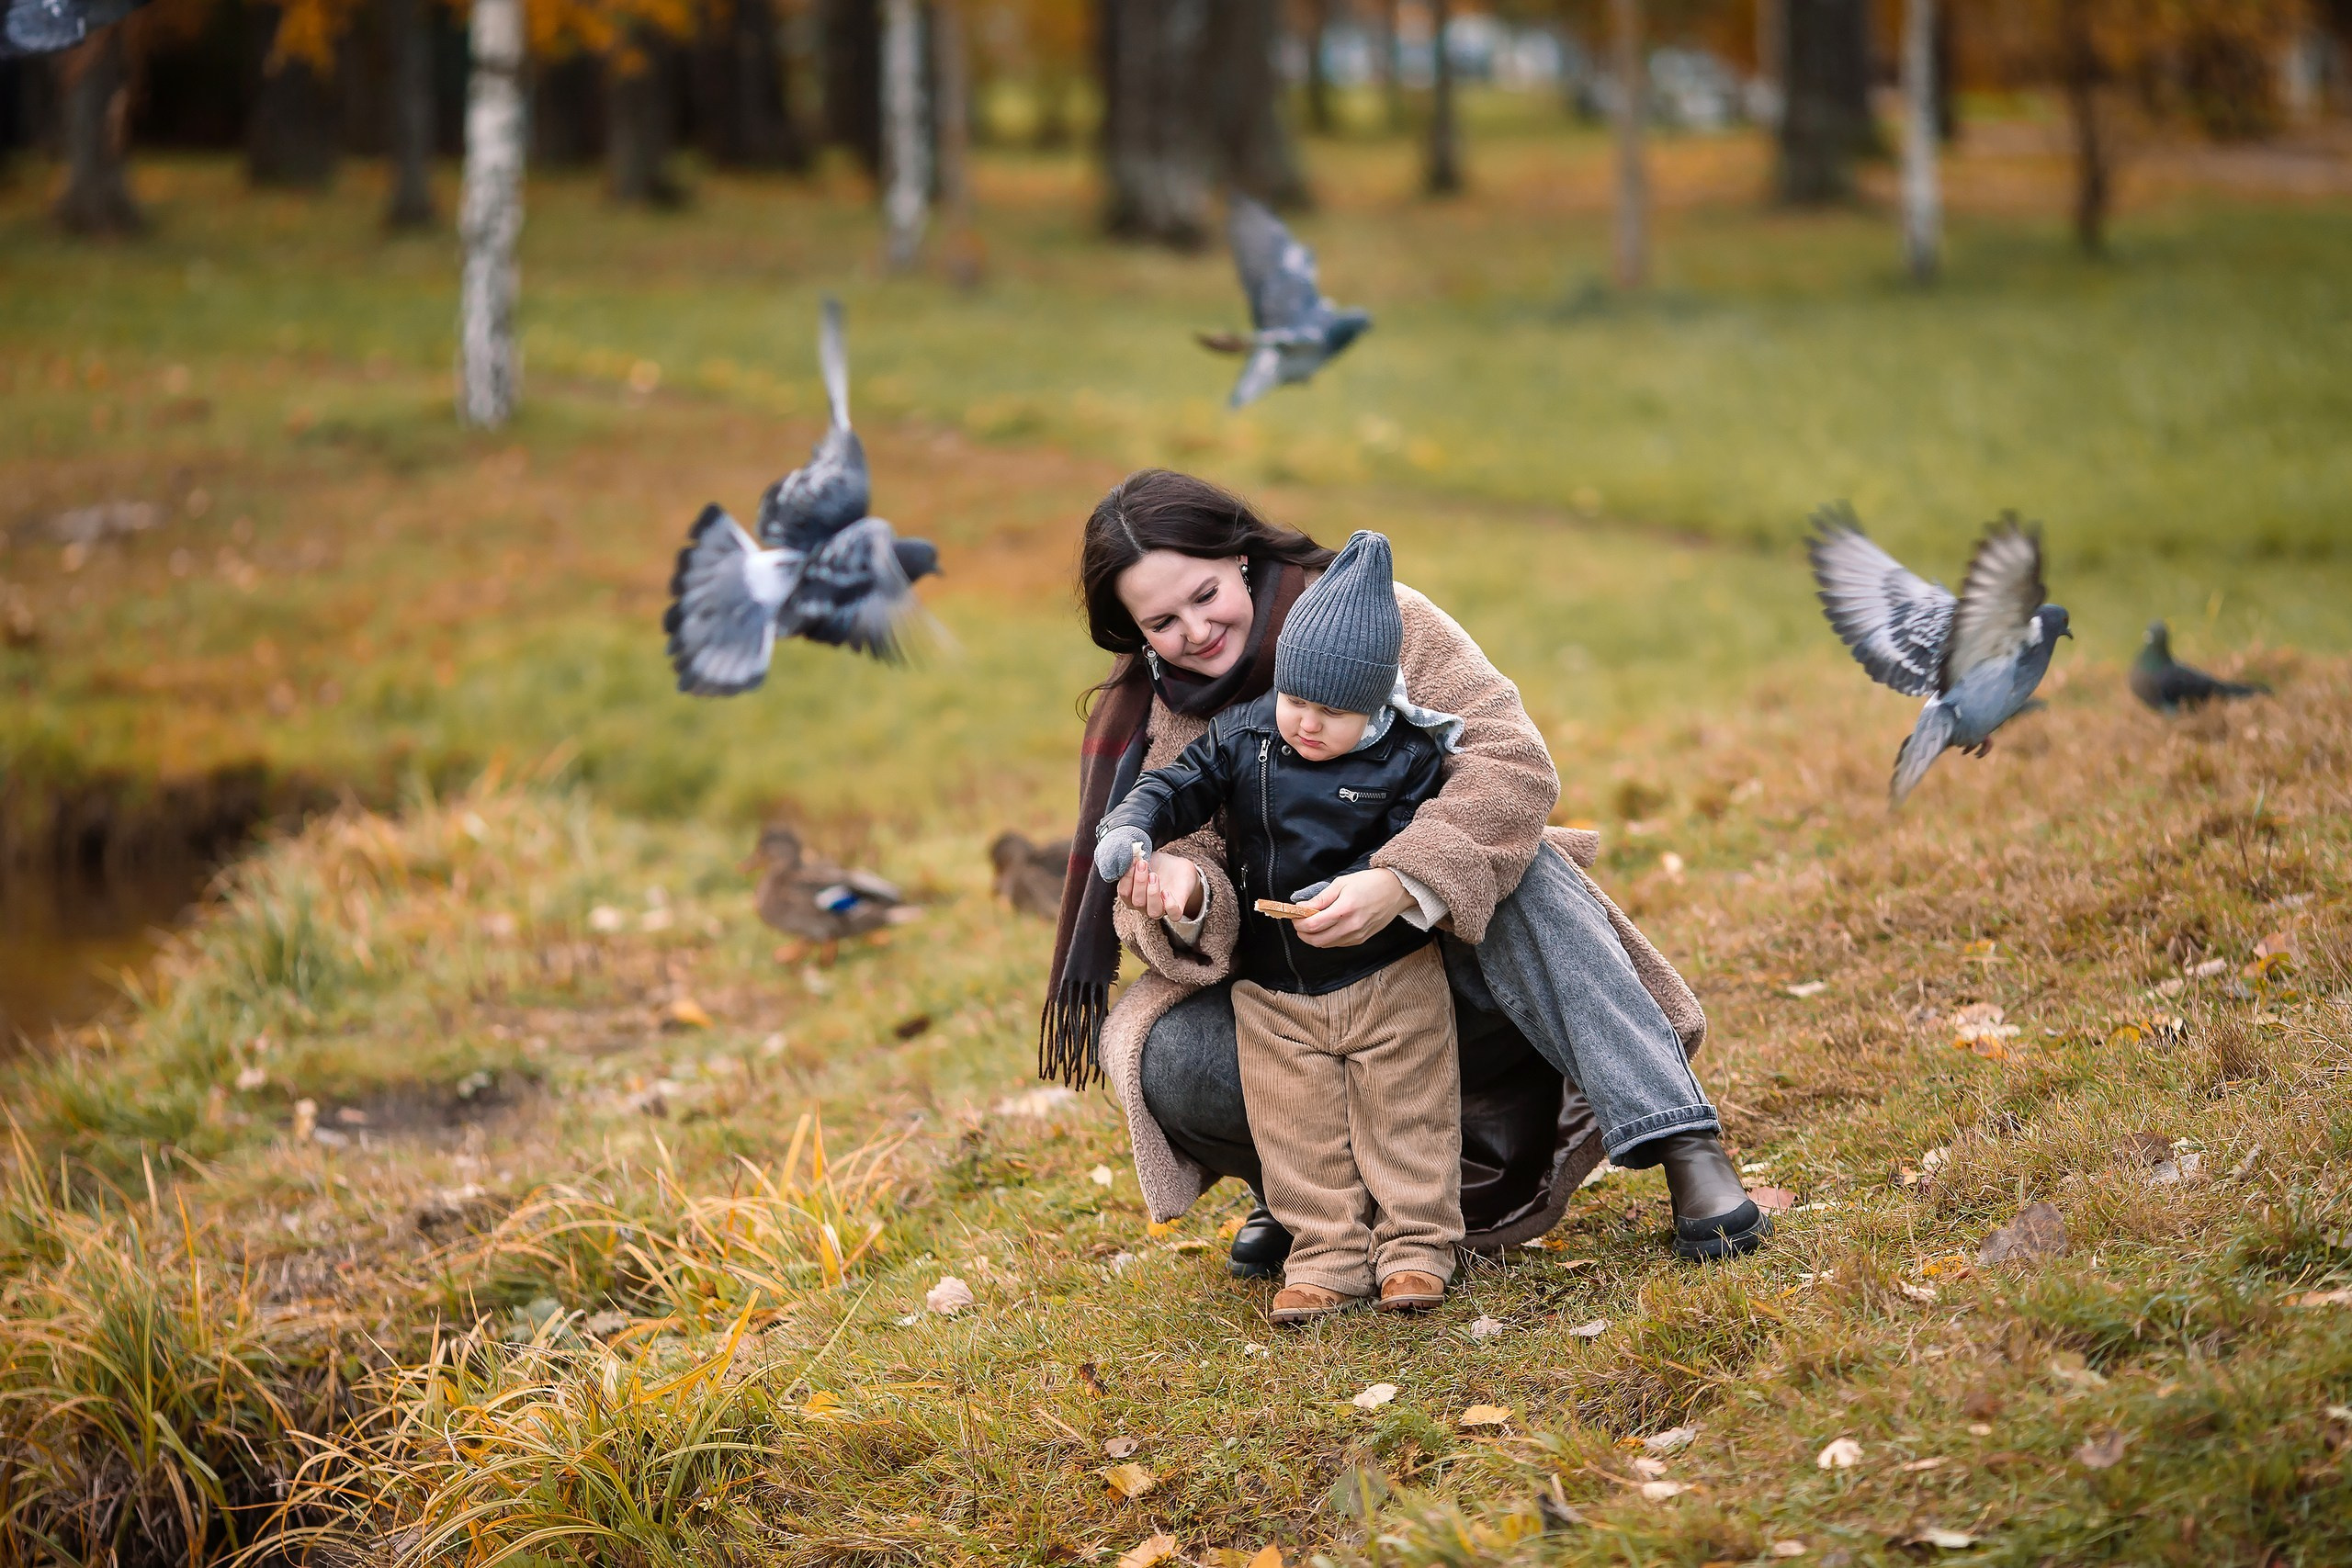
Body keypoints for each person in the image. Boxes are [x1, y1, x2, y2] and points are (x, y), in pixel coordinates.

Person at [1037, 469, 1765, 1271]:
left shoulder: (1384, 621)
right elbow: (1170, 841)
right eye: (1163, 622)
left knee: (1521, 874)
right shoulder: (1161, 711)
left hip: (1447, 973)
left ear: (1238, 556)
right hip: (1290, 995)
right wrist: (1187, 890)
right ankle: (1312, 1200)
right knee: (1167, 1055)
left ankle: (1681, 1139)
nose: (1197, 630)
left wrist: (1399, 882)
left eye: (1205, 595)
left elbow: (1510, 763)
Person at [1093, 532, 1465, 1323]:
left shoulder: (1408, 759)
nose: (1306, 724)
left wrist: (1376, 882)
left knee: (1408, 1115)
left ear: (1376, 705)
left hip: (1389, 975)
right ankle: (1326, 1256)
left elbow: (1418, 838)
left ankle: (1417, 1249)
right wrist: (1132, 827)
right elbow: (1176, 784)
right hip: (1275, 988)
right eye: (1296, 700)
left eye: (1333, 713)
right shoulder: (1247, 733)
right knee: (1298, 1129)